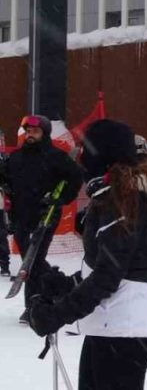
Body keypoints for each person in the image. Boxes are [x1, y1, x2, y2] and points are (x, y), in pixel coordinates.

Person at [27, 119, 147, 390]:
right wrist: (66, 285)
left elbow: (108, 276)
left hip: (125, 328)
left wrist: (58, 314)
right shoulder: (117, 196)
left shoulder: (124, 200)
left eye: (85, 151)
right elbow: (111, 266)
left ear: (103, 157)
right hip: (112, 325)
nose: (81, 159)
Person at [0, 115, 84, 323]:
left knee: (34, 260)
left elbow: (75, 177)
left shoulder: (56, 157)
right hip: (20, 216)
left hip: (45, 216)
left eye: (34, 132)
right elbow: (7, 179)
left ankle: (33, 307)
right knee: (32, 261)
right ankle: (61, 285)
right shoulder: (17, 157)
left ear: (44, 134)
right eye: (27, 132)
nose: (30, 135)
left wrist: (61, 199)